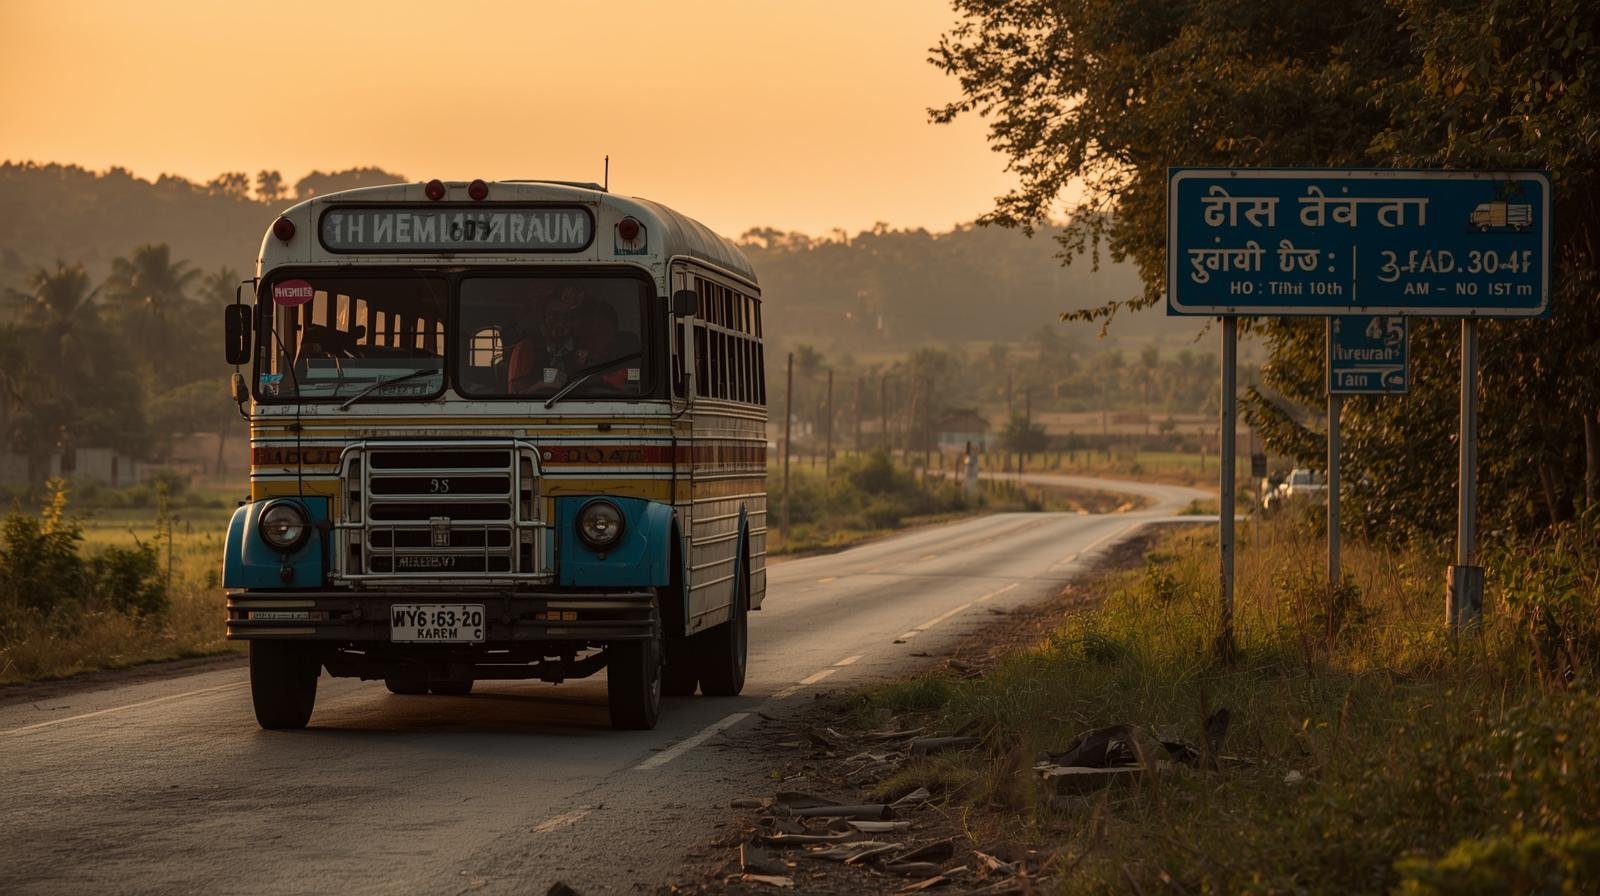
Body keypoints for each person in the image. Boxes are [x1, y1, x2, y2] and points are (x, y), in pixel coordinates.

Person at [506, 285, 584, 393]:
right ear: (543, 317)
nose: (561, 321)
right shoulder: (526, 347)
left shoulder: (579, 348)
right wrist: (543, 385)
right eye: (554, 315)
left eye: (567, 316)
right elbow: (517, 390)